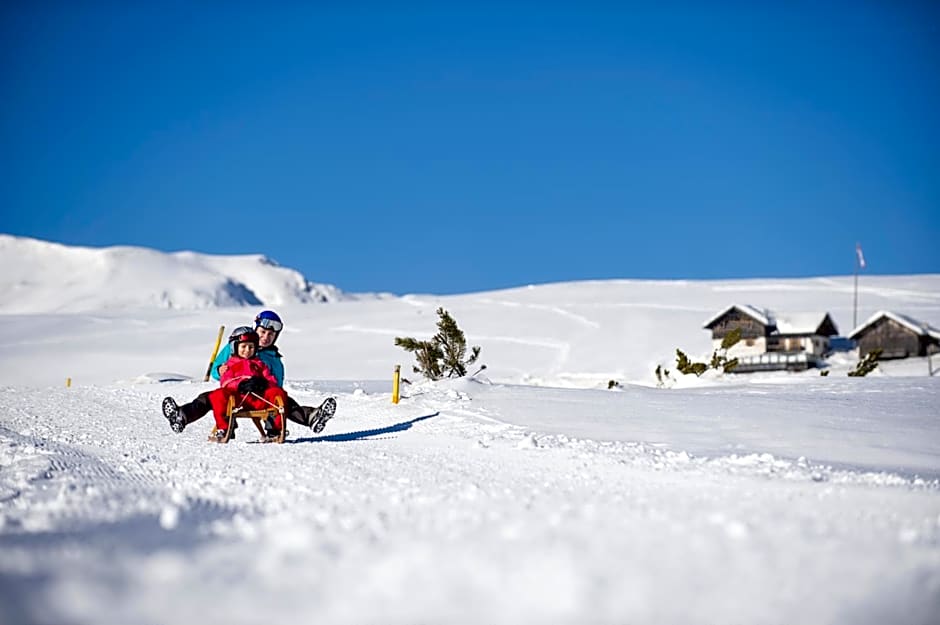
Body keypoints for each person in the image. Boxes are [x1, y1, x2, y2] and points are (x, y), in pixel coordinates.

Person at [162, 311, 335, 437]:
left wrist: (265, 385)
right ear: (255, 330)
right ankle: (182, 415)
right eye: (262, 332)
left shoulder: (273, 358)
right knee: (207, 398)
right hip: (234, 394)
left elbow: (277, 384)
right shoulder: (237, 345)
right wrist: (220, 371)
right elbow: (218, 369)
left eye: (271, 334)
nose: (266, 337)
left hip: (262, 397)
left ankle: (312, 417)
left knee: (285, 400)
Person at [163, 327, 287, 442]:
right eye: (243, 347)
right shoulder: (230, 364)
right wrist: (240, 385)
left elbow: (272, 381)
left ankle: (275, 429)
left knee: (278, 393)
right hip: (237, 401)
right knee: (218, 395)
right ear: (235, 347)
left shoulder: (260, 364)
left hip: (258, 400)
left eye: (251, 347)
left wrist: (263, 384)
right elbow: (226, 382)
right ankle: (224, 427)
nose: (247, 351)